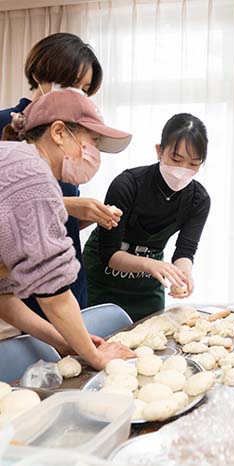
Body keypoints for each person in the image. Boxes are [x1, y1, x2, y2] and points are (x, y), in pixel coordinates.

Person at [0, 89, 134, 369]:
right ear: (59, 132)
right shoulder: (30, 174)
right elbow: (55, 296)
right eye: (92, 141)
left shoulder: (13, 163)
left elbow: (4, 298)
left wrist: (65, 342)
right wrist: (95, 356)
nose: (95, 153)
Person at [0, 32, 119, 318]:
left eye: (85, 88)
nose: (77, 93)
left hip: (67, 283)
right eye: (70, 83)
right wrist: (70, 205)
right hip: (18, 293)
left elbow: (51, 224)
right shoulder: (4, 125)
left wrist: (84, 216)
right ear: (40, 75)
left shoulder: (72, 135)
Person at [83, 113, 211, 321]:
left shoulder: (198, 199)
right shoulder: (128, 184)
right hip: (101, 281)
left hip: (146, 288)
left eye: (194, 164)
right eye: (176, 159)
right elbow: (109, 254)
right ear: (159, 151)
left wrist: (182, 274)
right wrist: (150, 265)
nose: (183, 170)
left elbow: (185, 251)